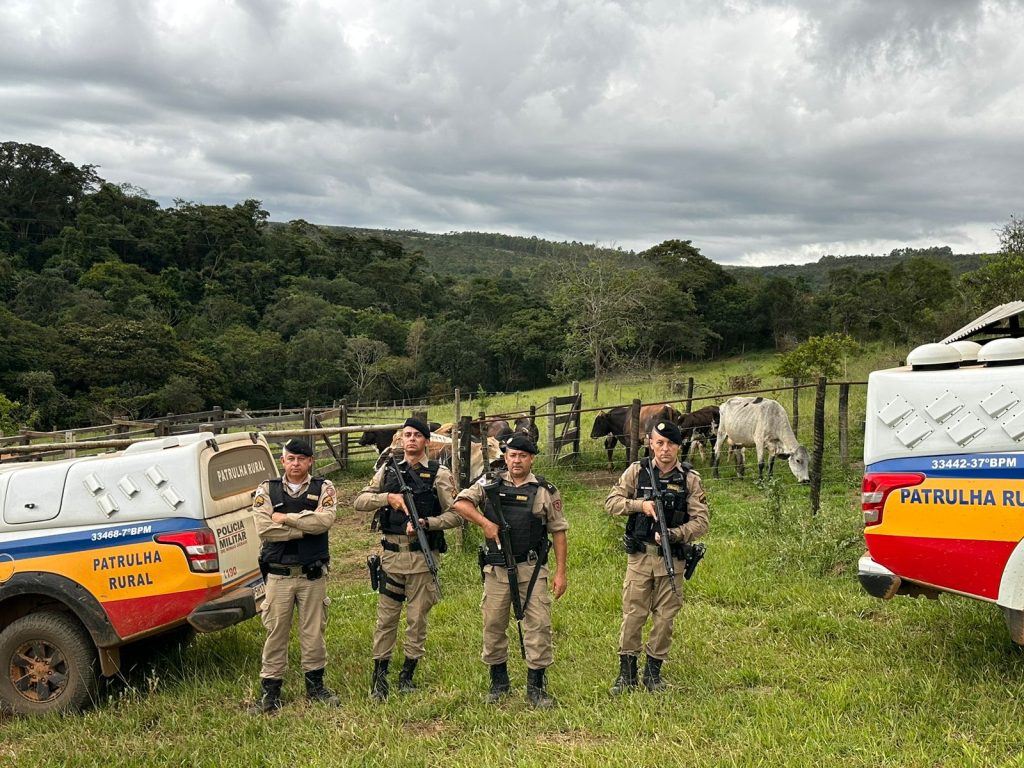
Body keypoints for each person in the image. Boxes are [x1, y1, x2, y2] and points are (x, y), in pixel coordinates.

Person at [452, 434, 568, 708]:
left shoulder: (544, 490)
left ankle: (536, 687)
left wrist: (560, 572)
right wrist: (485, 524)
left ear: (532, 459)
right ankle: (499, 682)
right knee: (493, 624)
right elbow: (459, 503)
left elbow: (559, 531)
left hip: (531, 566)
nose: (517, 460)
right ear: (505, 456)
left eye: (523, 456)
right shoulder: (488, 483)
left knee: (538, 624)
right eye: (512, 455)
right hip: (497, 569)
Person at [353, 417, 460, 700]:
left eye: (416, 435)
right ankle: (380, 675)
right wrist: (387, 498)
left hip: (421, 559)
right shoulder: (388, 470)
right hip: (390, 557)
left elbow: (457, 514)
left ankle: (407, 674)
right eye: (406, 435)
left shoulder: (439, 474)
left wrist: (427, 523)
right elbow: (359, 501)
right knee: (386, 619)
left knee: (416, 619)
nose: (410, 439)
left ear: (426, 440)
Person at [604, 419, 709, 693]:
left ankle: (653, 673)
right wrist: (641, 505)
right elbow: (611, 503)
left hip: (671, 560)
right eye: (659, 443)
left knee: (665, 618)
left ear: (678, 446)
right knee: (633, 615)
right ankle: (626, 675)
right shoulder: (636, 472)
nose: (665, 449)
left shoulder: (689, 479)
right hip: (639, 559)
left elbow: (702, 521)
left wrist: (676, 533)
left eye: (671, 444)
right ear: (650, 443)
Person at [249, 438, 338, 713]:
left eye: (301, 459)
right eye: (290, 458)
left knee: (313, 633)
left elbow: (325, 521)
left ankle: (316, 688)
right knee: (276, 632)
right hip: (279, 576)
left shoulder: (324, 487)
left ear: (310, 460)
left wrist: (285, 518)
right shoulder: (267, 489)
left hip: (312, 575)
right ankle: (271, 693)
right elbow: (264, 529)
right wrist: (305, 524)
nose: (295, 463)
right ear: (283, 460)